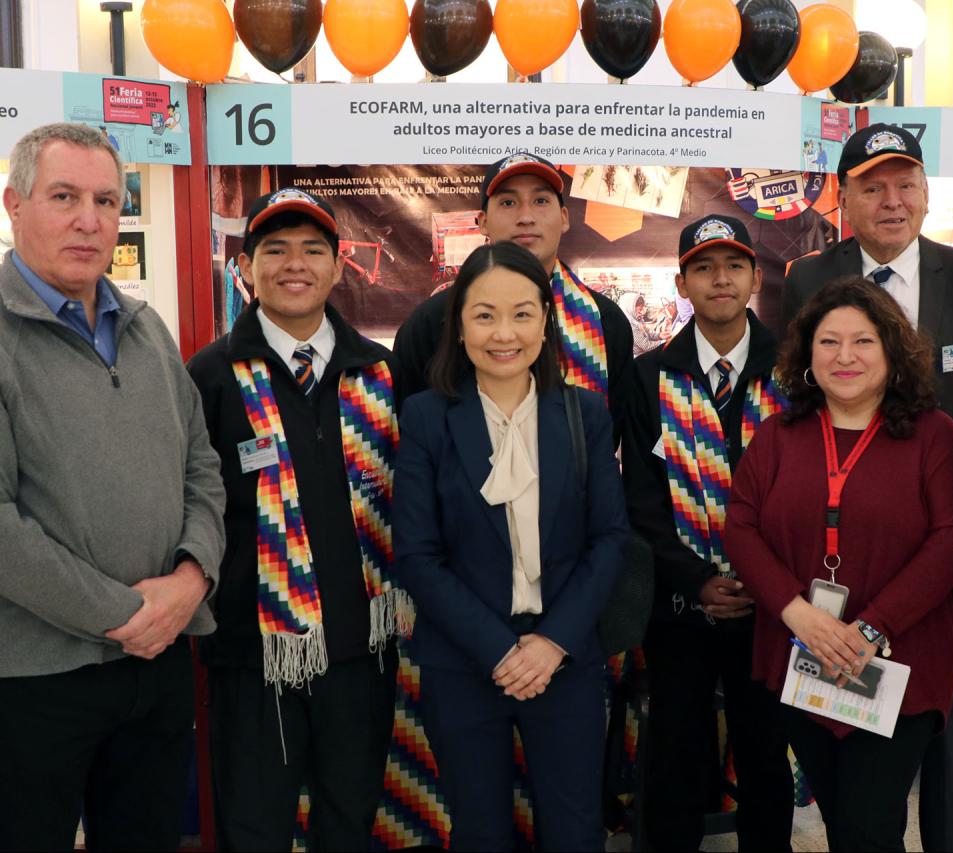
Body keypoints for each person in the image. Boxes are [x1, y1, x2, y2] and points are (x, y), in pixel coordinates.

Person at [782, 122, 953, 852]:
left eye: (906, 183)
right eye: (873, 186)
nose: (892, 200)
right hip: (848, 541)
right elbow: (799, 402)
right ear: (843, 197)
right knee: (849, 707)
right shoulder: (806, 281)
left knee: (952, 710)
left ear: (926, 192)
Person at [0, 121, 225, 851]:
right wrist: (128, 612)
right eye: (64, 196)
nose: (89, 219)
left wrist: (193, 577)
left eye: (106, 199)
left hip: (155, 670)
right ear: (14, 202)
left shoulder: (145, 327)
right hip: (34, 678)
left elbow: (202, 464)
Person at [186, 188, 411, 850]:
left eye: (313, 249)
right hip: (253, 658)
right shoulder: (210, 375)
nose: (295, 264)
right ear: (247, 267)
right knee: (255, 826)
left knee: (351, 818)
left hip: (359, 650)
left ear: (339, 266)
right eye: (275, 249)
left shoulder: (379, 372)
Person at [725, 277, 953, 852]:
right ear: (807, 356)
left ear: (892, 350)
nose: (845, 357)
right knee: (842, 818)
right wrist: (800, 616)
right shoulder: (779, 436)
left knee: (869, 826)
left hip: (897, 660)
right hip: (802, 656)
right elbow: (741, 527)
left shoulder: (933, 436)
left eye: (863, 342)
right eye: (828, 342)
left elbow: (952, 539)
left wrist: (871, 628)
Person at [392, 241, 629, 851]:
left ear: (546, 323)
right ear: (459, 324)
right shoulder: (425, 419)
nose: (505, 333)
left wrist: (551, 643)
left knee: (576, 829)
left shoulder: (586, 414)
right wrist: (500, 650)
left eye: (523, 313)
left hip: (566, 657)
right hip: (464, 662)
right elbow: (417, 554)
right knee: (479, 831)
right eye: (485, 314)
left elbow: (608, 540)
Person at [622, 215, 795, 852]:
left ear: (754, 277)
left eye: (733, 266)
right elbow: (639, 500)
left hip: (773, 607)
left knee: (765, 758)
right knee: (675, 757)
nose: (719, 279)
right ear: (681, 282)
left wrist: (764, 579)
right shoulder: (649, 377)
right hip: (679, 608)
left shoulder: (795, 371)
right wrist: (695, 580)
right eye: (703, 267)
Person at [394, 151, 634, 437]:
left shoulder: (606, 322)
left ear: (565, 218)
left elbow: (610, 436)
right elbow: (411, 433)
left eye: (541, 201)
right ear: (482, 222)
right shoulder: (433, 322)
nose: (526, 217)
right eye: (508, 202)